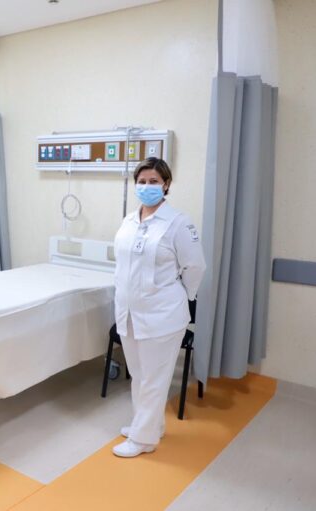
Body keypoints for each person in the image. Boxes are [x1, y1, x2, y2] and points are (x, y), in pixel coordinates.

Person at [112, 157, 206, 458]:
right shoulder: (129, 221)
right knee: (139, 375)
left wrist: (185, 296)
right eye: (142, 181)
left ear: (166, 184)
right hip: (129, 313)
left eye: (154, 181)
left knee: (154, 380)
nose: (147, 186)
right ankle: (150, 425)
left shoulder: (178, 223)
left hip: (163, 315)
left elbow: (195, 266)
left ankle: (143, 439)